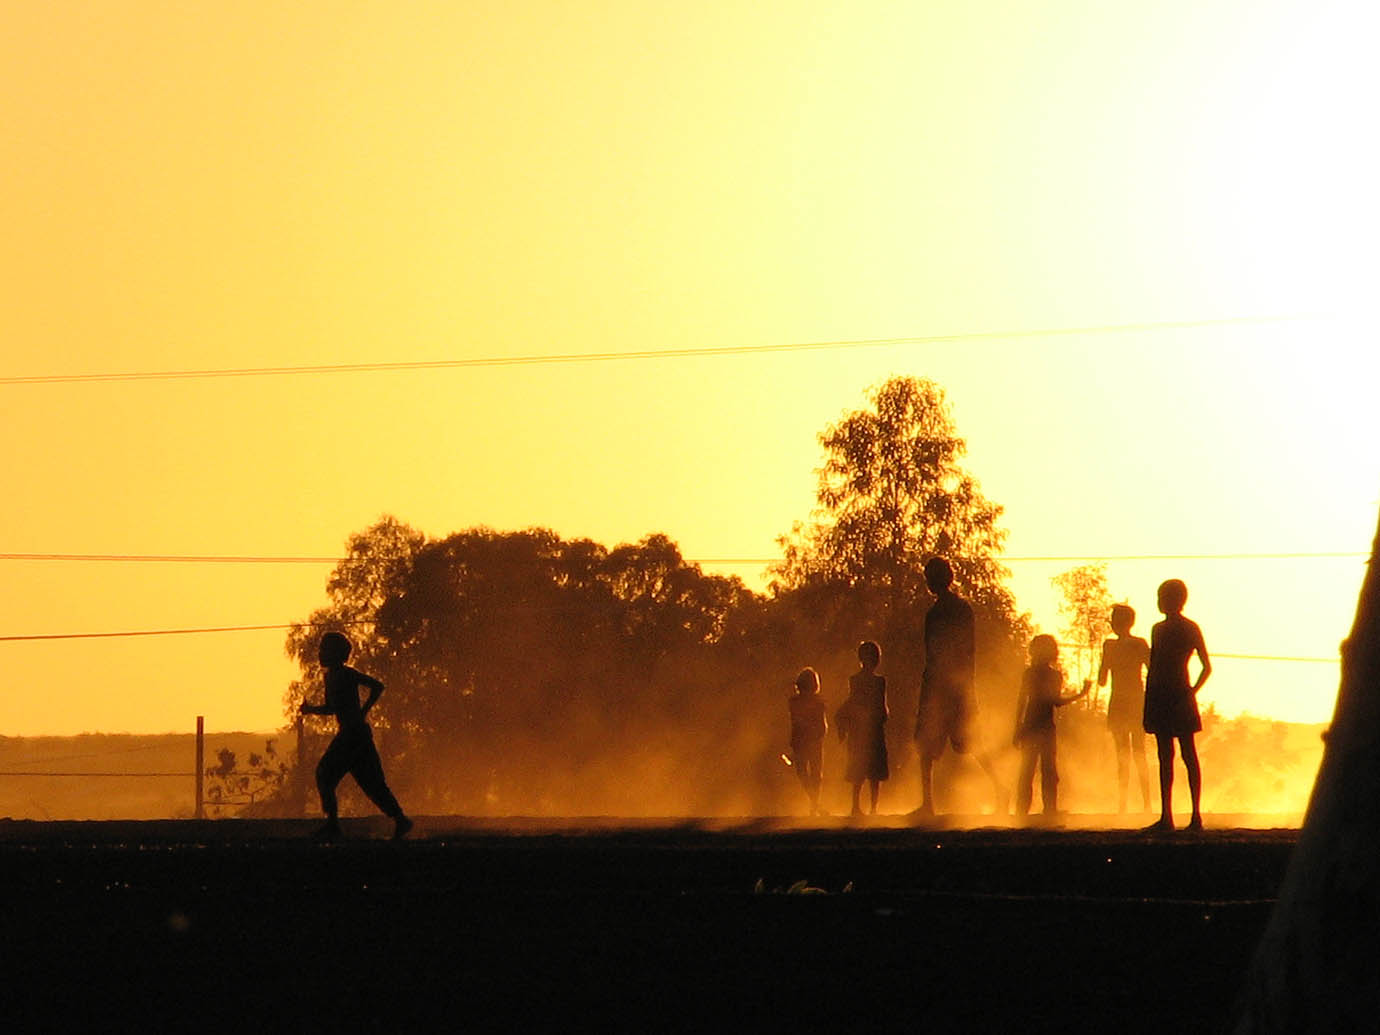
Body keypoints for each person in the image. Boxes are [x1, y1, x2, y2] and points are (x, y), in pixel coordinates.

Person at [913, 556, 1004, 816]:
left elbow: (939, 653)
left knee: (948, 744)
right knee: (957, 745)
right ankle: (998, 789)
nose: (928, 583)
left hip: (946, 688)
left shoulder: (941, 613)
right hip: (954, 687)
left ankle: (930, 803)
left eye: (930, 578)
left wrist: (935, 689)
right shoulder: (958, 609)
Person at [301, 631, 412, 840]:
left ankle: (334, 825)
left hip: (353, 736)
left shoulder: (347, 674)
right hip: (351, 734)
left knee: (327, 775)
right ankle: (400, 820)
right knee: (370, 783)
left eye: (324, 650)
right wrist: (310, 710)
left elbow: (377, 686)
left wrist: (364, 710)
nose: (320, 654)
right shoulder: (330, 677)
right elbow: (331, 708)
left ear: (335, 653)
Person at [1144, 579, 1212, 832]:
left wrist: (1190, 693)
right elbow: (1153, 666)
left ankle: (1194, 816)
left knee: (1186, 755)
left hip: (1177, 695)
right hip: (1163, 695)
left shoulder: (1187, 628)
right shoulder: (1158, 629)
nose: (1160, 602)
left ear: (1177, 600)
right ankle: (1167, 816)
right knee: (1167, 757)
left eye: (1163, 597)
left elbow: (1206, 667)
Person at [1013, 634, 1089, 818]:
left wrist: (1017, 727)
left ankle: (1023, 812)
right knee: (1047, 771)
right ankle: (1048, 810)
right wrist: (1081, 694)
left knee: (1029, 770)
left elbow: (1022, 701)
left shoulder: (1030, 673)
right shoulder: (1052, 675)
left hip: (1032, 725)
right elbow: (1056, 701)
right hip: (1044, 726)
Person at [1098, 604, 1152, 814]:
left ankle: (1124, 804)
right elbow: (1152, 670)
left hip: (1120, 702)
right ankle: (1145, 804)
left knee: (1123, 755)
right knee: (1139, 753)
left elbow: (1102, 679)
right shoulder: (1139, 644)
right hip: (1136, 701)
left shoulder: (1110, 646)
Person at [837, 640, 888, 816]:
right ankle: (872, 808)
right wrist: (882, 718)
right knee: (873, 772)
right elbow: (881, 706)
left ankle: (856, 806)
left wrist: (845, 722)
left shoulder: (855, 680)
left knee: (859, 769)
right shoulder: (879, 681)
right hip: (873, 729)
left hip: (859, 729)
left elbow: (853, 702)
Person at [787, 667, 828, 815]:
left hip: (810, 740)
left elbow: (798, 723)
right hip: (806, 740)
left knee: (810, 773)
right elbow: (820, 724)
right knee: (807, 773)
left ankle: (814, 805)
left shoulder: (803, 702)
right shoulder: (798, 702)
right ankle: (815, 803)